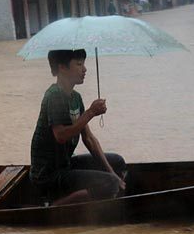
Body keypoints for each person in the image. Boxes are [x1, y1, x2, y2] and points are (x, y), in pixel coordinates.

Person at [29, 49, 126, 205]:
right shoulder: (54, 95)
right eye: (79, 64)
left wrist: (111, 172)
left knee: (117, 162)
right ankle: (55, 205)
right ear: (62, 67)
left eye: (84, 64)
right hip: (48, 176)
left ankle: (113, 196)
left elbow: (88, 139)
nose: (84, 69)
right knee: (109, 183)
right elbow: (60, 136)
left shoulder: (75, 98)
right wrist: (91, 112)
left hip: (65, 165)